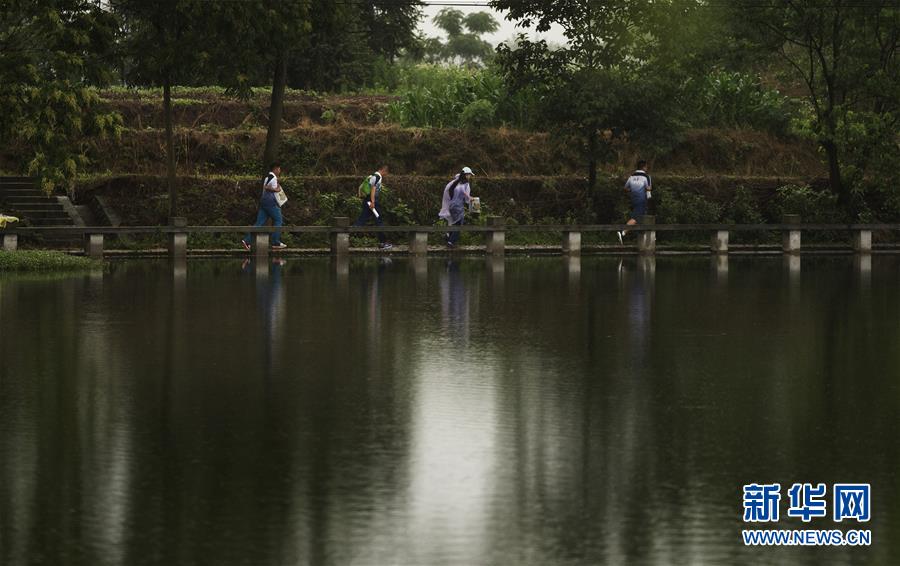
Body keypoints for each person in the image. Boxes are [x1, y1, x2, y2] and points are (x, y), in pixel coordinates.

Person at [242, 162, 287, 251]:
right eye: (279, 169)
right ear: (276, 169)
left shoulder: (268, 177)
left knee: (259, 223)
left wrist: (277, 187)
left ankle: (246, 241)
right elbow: (267, 187)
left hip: (264, 203)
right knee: (278, 220)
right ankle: (275, 242)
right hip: (270, 203)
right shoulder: (272, 177)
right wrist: (276, 189)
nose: (280, 171)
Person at [353, 164, 392, 250]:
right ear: (384, 170)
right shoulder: (378, 177)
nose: (386, 174)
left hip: (366, 201)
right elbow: (373, 189)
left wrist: (361, 196)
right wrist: (373, 202)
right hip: (372, 202)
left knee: (362, 219)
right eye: (386, 172)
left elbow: (360, 187)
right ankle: (383, 243)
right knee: (379, 220)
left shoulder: (371, 176)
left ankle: (346, 234)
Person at [438, 167, 475, 248]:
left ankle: (448, 236)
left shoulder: (455, 182)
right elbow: (465, 197)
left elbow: (450, 192)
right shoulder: (465, 184)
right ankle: (451, 241)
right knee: (459, 225)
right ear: (466, 175)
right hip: (458, 206)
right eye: (469, 175)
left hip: (451, 205)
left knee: (454, 223)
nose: (470, 177)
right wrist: (470, 199)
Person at [618, 160, 652, 244]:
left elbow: (625, 188)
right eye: (646, 167)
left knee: (641, 216)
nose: (647, 168)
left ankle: (644, 238)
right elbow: (649, 188)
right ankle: (623, 232)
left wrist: (633, 190)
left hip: (633, 199)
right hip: (641, 200)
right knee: (636, 218)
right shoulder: (646, 176)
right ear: (644, 167)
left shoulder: (631, 176)